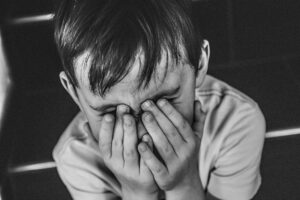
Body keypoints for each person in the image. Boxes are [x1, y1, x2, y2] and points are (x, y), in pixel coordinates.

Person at [52, 0, 266, 199]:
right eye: (110, 112)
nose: (144, 132)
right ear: (73, 91)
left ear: (199, 64)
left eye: (164, 101)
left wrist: (183, 185)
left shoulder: (237, 123)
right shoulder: (77, 159)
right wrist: (137, 193)